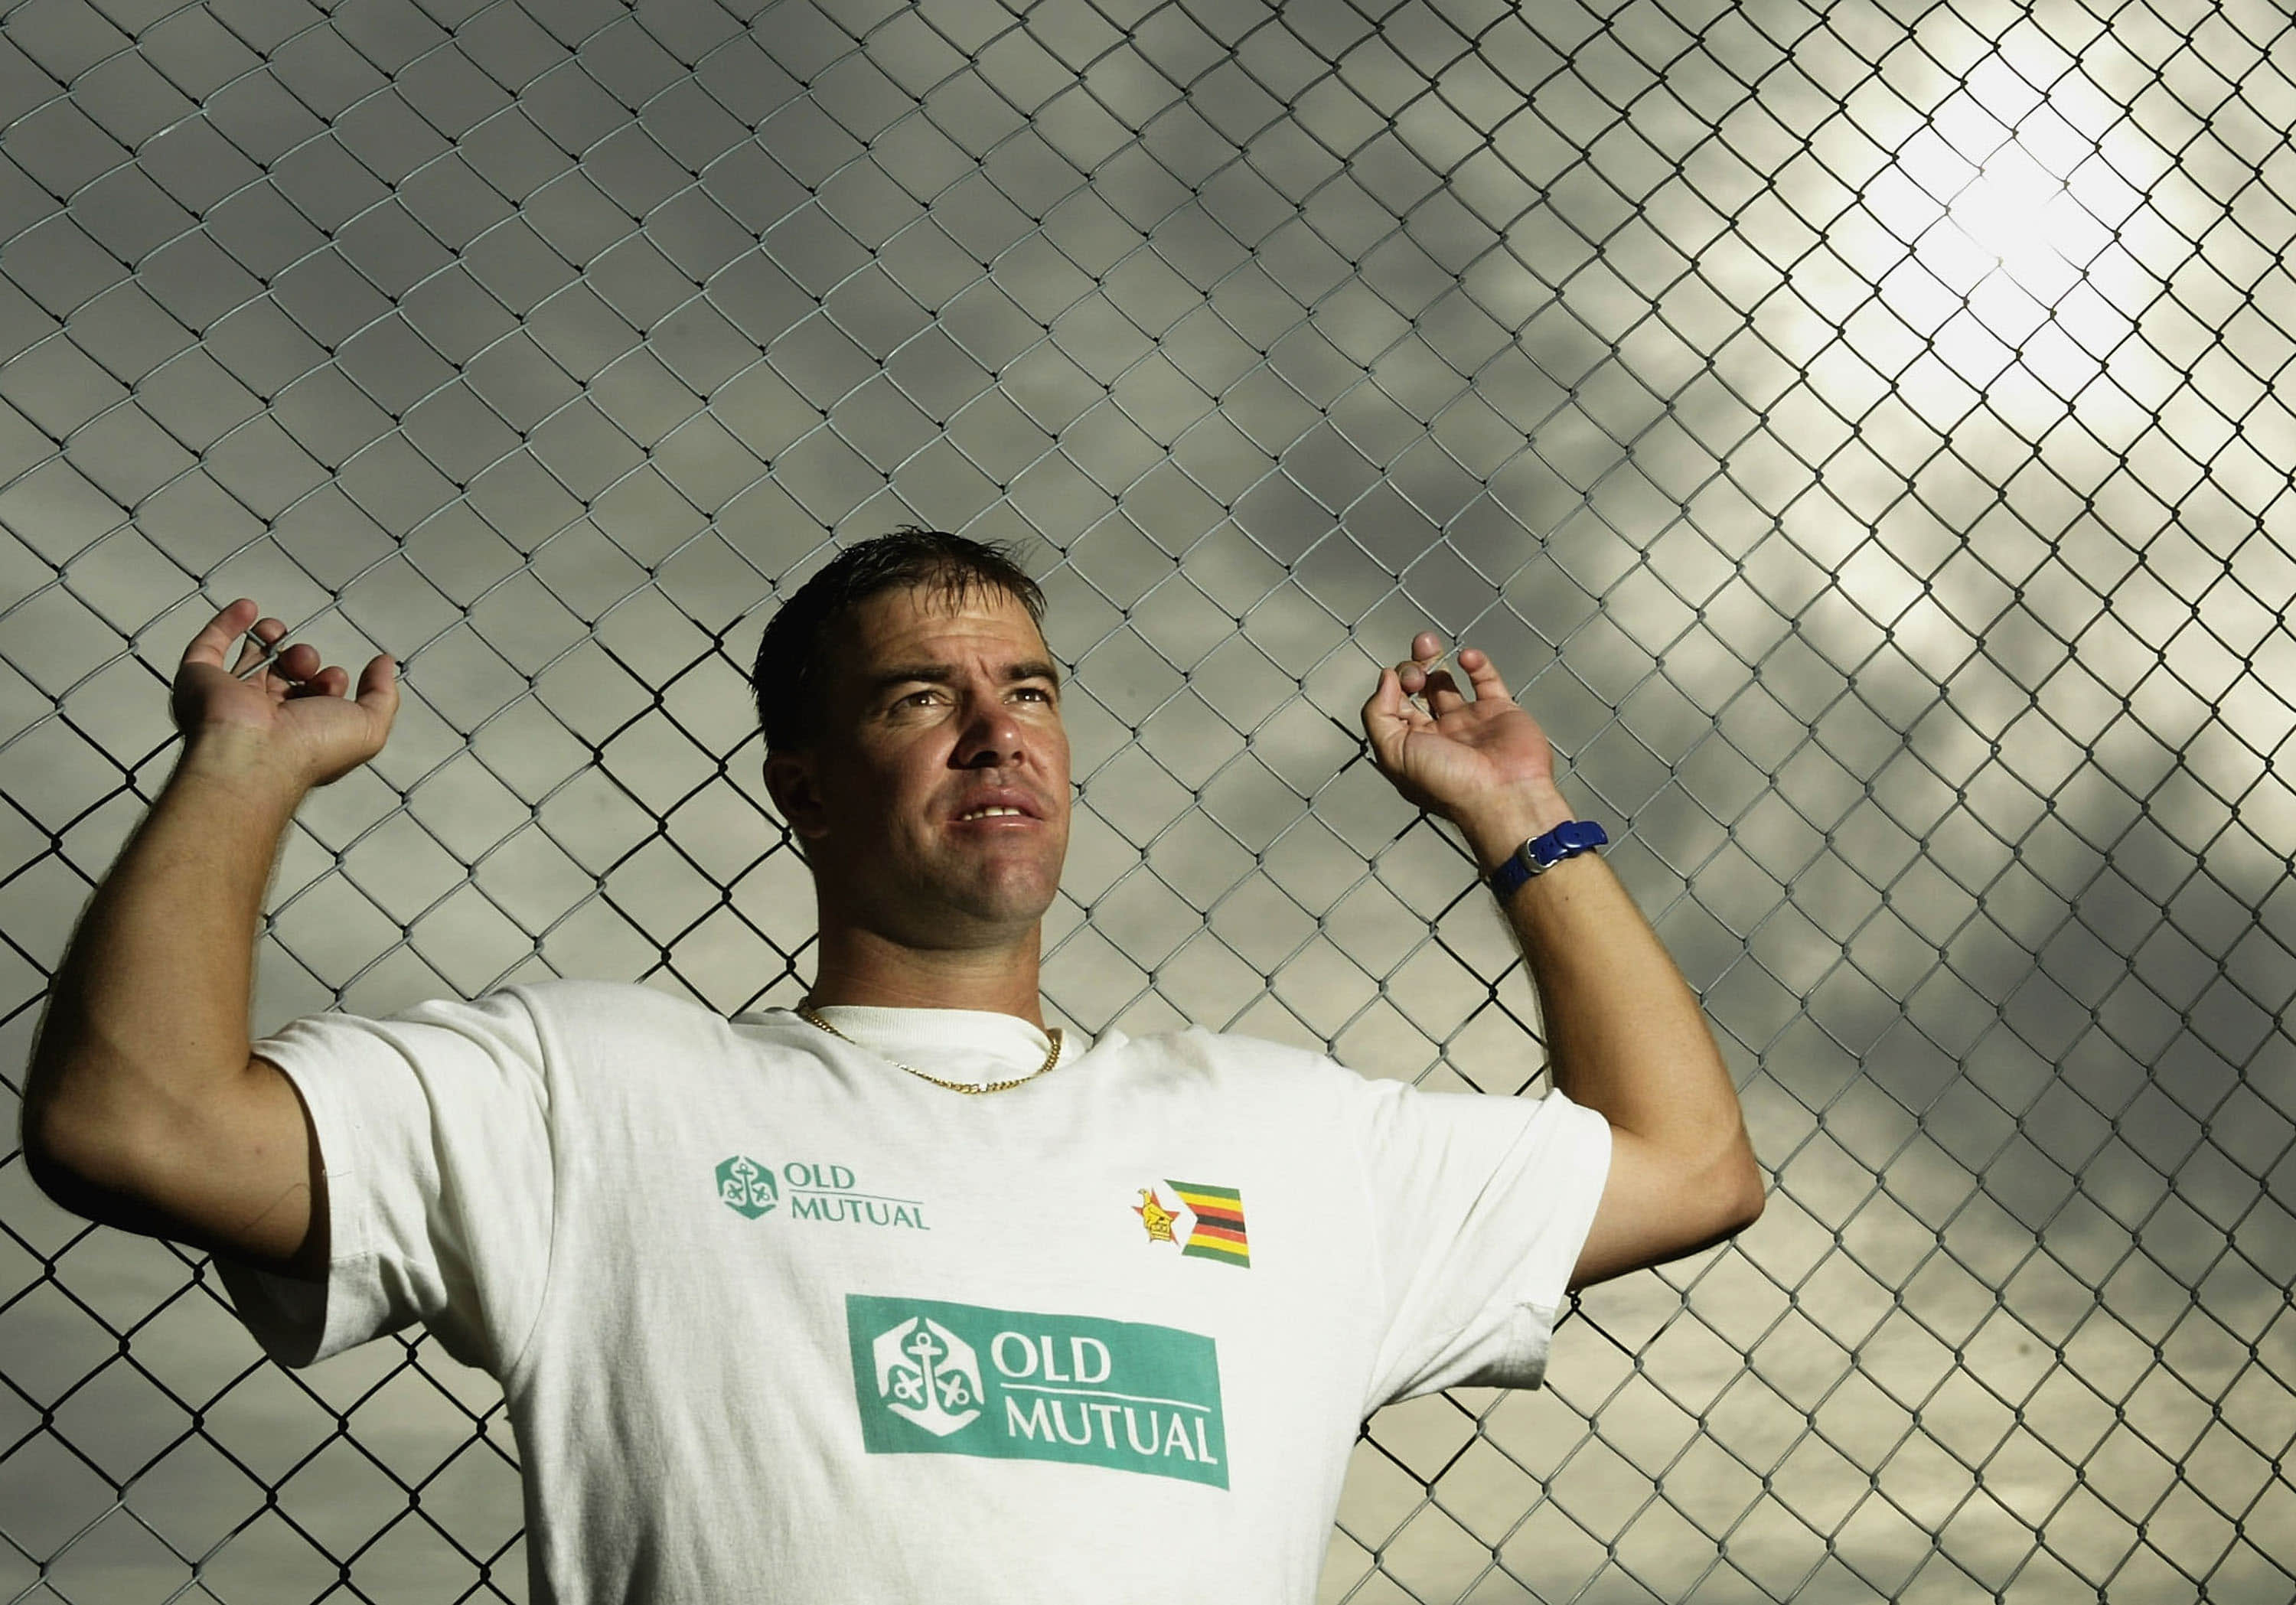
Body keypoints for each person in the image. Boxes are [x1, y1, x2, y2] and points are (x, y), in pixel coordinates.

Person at [23, 530, 1763, 1603]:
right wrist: (242, 772)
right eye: (919, 698)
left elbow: (1689, 1161)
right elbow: (134, 1119)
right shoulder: (597, 1092)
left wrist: (1522, 811)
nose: (999, 729)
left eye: (1032, 690)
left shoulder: (1284, 1133)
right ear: (802, 784)